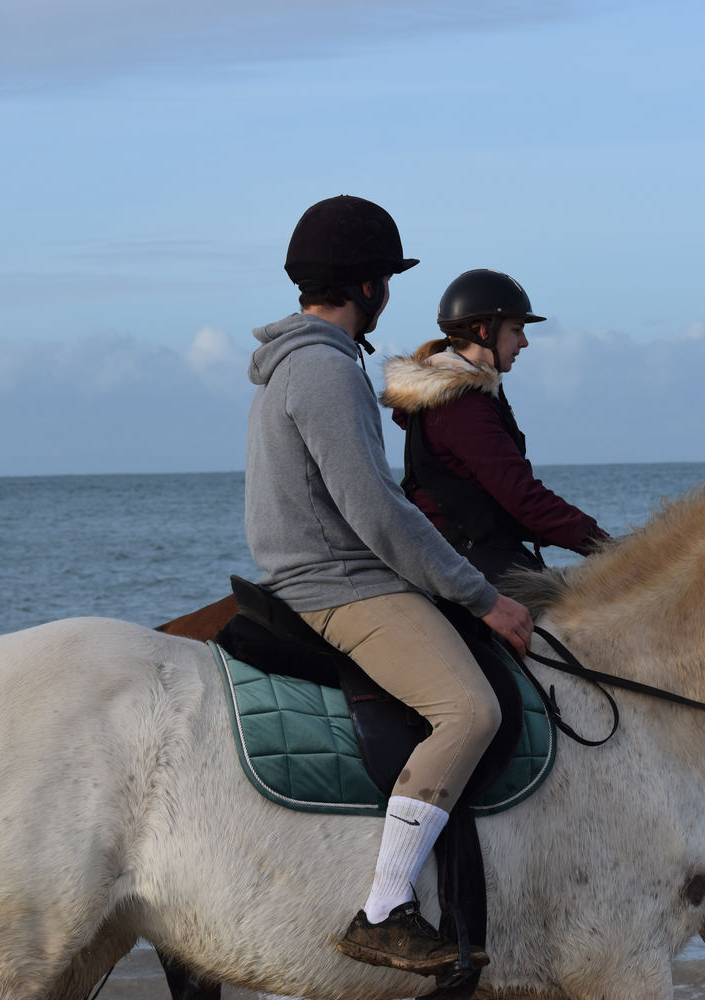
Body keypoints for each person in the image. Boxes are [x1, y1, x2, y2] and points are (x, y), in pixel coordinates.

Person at [244, 197, 533, 976]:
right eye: (388, 280)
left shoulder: (296, 364)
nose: (391, 295)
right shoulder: (324, 369)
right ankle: (383, 910)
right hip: (341, 583)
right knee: (470, 709)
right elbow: (377, 508)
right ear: (368, 287)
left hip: (324, 570)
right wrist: (483, 596)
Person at [381, 268, 609, 584]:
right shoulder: (460, 404)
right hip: (462, 563)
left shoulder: (470, 394)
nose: (525, 342)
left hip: (463, 552)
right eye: (516, 330)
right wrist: (605, 546)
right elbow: (522, 496)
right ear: (483, 331)